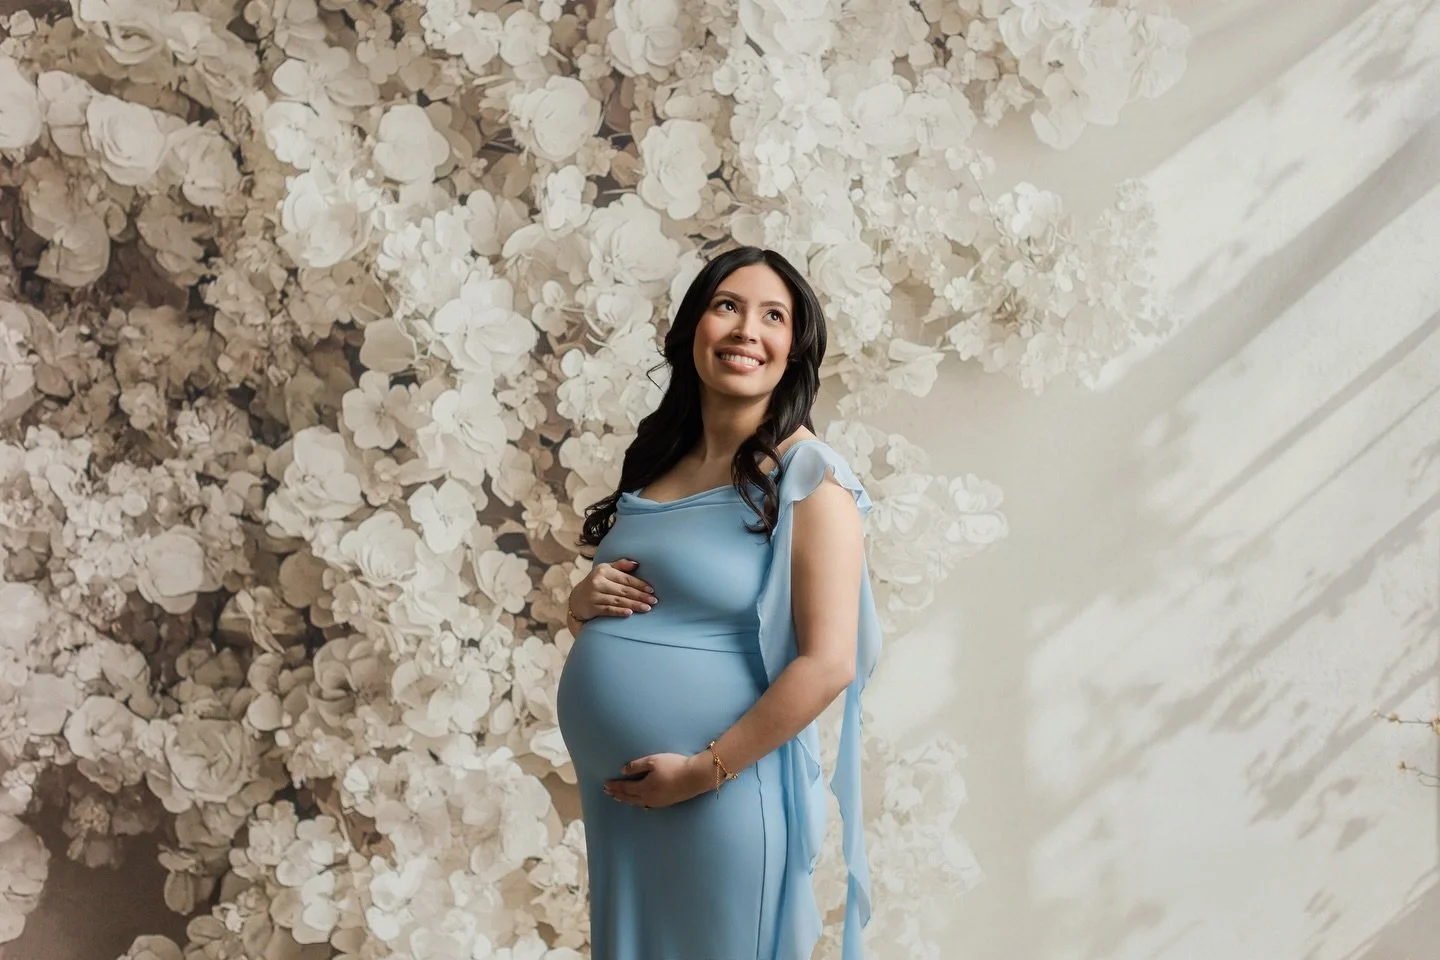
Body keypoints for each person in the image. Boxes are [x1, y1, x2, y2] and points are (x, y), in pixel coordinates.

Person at [556, 245, 883, 960]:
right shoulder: (662, 460)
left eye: (774, 316)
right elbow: (656, 604)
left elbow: (828, 663)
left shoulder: (810, 479)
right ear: (693, 329)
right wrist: (581, 604)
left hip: (716, 794)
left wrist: (702, 772)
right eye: (727, 306)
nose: (746, 330)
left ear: (793, 349)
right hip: (629, 807)